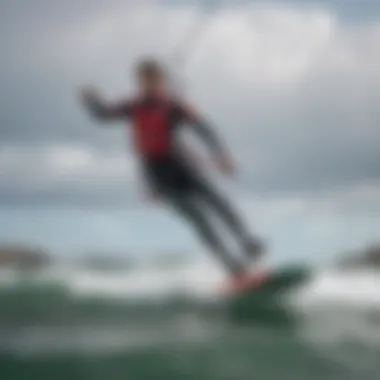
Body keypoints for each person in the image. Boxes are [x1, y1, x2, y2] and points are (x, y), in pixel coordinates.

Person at [79, 58, 265, 290]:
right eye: (144, 82)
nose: (150, 86)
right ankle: (235, 272)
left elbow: (205, 129)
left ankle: (247, 242)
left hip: (185, 168)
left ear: (162, 81)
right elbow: (103, 115)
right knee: (201, 222)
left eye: (154, 81)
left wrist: (221, 154)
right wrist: (91, 101)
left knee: (220, 204)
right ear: (139, 83)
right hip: (159, 178)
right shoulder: (133, 107)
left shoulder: (174, 107)